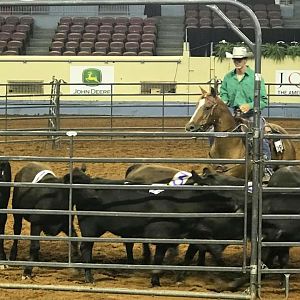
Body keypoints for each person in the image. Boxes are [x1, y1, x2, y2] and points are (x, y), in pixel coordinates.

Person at [219, 46, 273, 182]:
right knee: (215, 132)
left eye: (240, 59)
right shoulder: (228, 77)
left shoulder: (255, 78)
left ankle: (267, 169)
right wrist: (223, 101)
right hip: (234, 114)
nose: (237, 61)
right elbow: (223, 94)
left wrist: (249, 105)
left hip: (251, 115)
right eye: (235, 59)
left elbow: (263, 100)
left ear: (245, 60)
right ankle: (218, 161)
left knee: (260, 136)